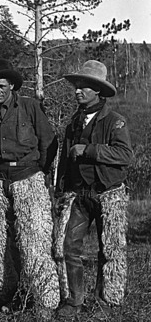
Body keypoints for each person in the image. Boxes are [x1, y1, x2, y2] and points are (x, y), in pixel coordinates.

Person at [0, 59, 60, 312]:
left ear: (12, 85)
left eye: (1, 86)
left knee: (34, 240)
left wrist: (37, 173)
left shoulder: (30, 107)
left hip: (28, 178)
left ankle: (45, 302)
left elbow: (49, 143)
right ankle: (7, 295)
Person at [55, 60, 133, 318]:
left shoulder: (114, 122)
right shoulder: (72, 124)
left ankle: (105, 302)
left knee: (109, 250)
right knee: (68, 248)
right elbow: (64, 162)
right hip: (78, 196)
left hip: (107, 194)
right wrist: (60, 191)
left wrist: (89, 150)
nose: (78, 91)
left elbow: (125, 155)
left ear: (98, 91)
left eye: (85, 87)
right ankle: (74, 301)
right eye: (77, 86)